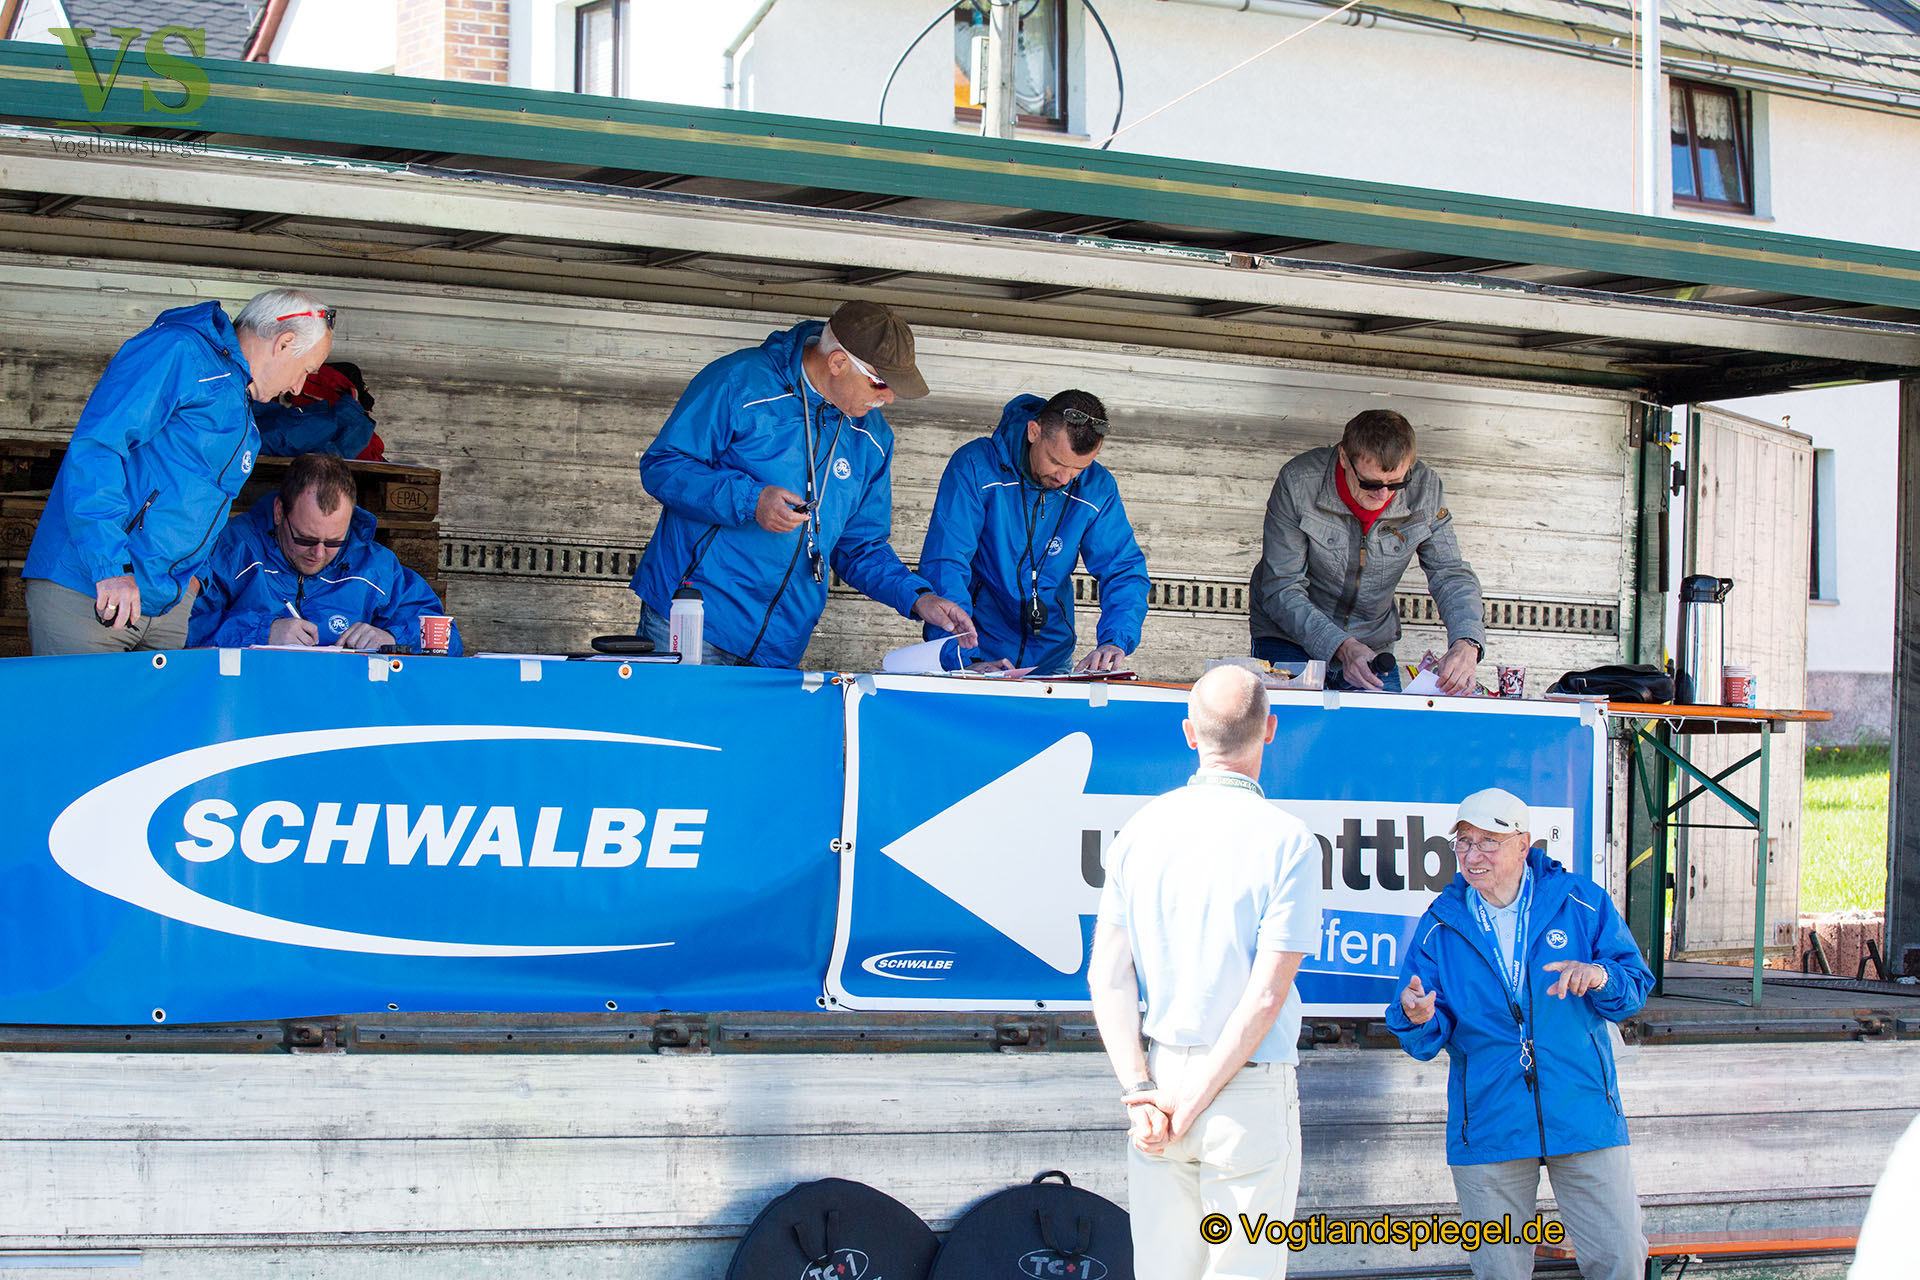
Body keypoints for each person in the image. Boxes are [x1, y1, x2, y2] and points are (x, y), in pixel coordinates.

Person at [1089, 665, 1324, 1279]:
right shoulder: (1290, 841)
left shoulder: (1140, 831)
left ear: (1190, 733)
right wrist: (1195, 1100)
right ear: (1270, 729)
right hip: (1244, 1092)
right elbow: (1267, 993)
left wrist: (1141, 1091)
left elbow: (1108, 977)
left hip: (1159, 1085)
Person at [1386, 788, 1654, 1280]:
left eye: (1488, 841)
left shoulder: (1581, 902)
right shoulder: (1440, 925)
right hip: (1489, 1122)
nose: (1472, 855)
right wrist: (1419, 1017)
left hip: (1583, 1111)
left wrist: (1598, 976)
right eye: (1463, 843)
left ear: (1523, 843)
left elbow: (1633, 988)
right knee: (1498, 1269)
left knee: (1620, 1259)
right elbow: (1423, 1030)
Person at [629, 300, 974, 667]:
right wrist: (751, 500)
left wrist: (918, 597)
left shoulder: (873, 439)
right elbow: (663, 466)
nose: (888, 398)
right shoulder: (740, 382)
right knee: (670, 724)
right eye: (881, 383)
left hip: (780, 644)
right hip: (695, 618)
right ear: (838, 362)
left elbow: (861, 547)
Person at [22, 289, 336, 656]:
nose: (298, 388)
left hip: (164, 606)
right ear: (284, 343)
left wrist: (193, 582)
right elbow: (98, 449)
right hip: (92, 589)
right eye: (306, 371)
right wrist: (109, 566)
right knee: (84, 713)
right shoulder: (178, 352)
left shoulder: (240, 407)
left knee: (161, 716)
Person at [1249, 409, 1485, 693]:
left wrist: (1466, 641)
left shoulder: (1426, 489)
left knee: (1383, 734)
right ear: (1344, 458)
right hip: (1289, 636)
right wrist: (1343, 647)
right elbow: (1282, 587)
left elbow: (1450, 574)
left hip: (1372, 642)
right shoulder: (1299, 483)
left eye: (1397, 483)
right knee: (1291, 732)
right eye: (1370, 483)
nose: (1383, 495)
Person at [918, 390, 1149, 675]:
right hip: (976, 658)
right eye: (1056, 461)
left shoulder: (1097, 487)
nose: (1064, 478)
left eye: (1078, 468)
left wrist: (1116, 641)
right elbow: (946, 563)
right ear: (1033, 432)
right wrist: (965, 659)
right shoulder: (976, 466)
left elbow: (1123, 569)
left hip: (1051, 662)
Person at [187, 452, 461, 655]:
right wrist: (262, 632)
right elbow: (181, 628)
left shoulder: (375, 567)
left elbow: (447, 639)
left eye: (334, 542)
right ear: (280, 511)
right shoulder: (231, 549)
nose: (318, 554)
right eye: (305, 539)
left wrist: (390, 638)